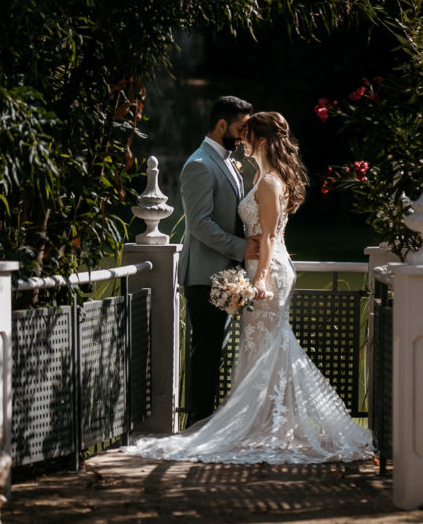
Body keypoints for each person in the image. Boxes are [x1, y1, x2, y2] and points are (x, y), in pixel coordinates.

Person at [123, 111, 374, 464]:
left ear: (263, 140)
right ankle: (267, 421)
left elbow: (270, 234)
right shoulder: (261, 177)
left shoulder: (270, 182)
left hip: (268, 274)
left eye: (249, 136)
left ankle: (269, 424)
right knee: (262, 346)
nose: (242, 141)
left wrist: (258, 280)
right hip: (260, 268)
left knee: (270, 344)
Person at [177, 95, 258, 427]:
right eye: (240, 128)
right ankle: (196, 423)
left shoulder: (226, 161)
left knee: (217, 352)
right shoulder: (199, 164)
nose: (243, 136)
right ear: (222, 124)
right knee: (207, 353)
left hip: (225, 275)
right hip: (204, 276)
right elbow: (199, 224)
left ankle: (205, 423)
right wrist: (242, 249)